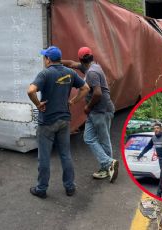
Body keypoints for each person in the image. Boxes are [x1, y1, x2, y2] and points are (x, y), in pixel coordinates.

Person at [27, 46, 90, 199]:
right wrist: (74, 101)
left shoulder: (45, 73)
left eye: (44, 57)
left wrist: (38, 104)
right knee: (65, 155)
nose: (44, 60)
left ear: (48, 59)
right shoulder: (70, 72)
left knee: (44, 157)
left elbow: (30, 91)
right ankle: (69, 187)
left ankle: (41, 189)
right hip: (64, 120)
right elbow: (86, 88)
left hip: (47, 121)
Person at [61, 47, 119, 182]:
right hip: (99, 111)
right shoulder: (92, 67)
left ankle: (107, 166)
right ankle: (108, 163)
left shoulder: (92, 73)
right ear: (91, 57)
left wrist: (88, 107)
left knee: (103, 140)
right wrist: (57, 61)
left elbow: (98, 93)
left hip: (101, 111)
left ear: (81, 59)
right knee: (89, 137)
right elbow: (71, 63)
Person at [136, 124, 162, 197]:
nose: (156, 129)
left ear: (161, 129)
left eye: (158, 128)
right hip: (160, 159)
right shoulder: (153, 138)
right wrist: (141, 154)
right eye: (154, 128)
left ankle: (158, 194)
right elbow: (148, 147)